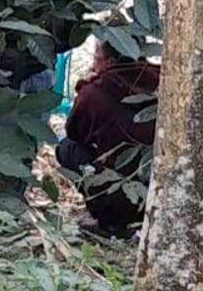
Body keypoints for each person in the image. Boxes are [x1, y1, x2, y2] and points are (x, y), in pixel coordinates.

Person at [55, 39, 159, 239]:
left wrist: (84, 87)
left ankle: (106, 215)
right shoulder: (163, 79)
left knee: (66, 146)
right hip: (156, 192)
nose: (93, 64)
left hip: (117, 192)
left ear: (109, 62)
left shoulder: (94, 92)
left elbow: (74, 132)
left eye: (96, 58)